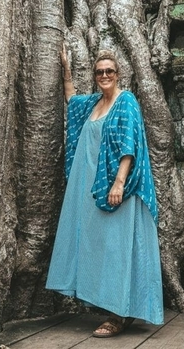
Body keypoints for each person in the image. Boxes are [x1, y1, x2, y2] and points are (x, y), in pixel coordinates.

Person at [46, 47, 164, 337]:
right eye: (100, 72)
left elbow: (130, 144)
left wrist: (120, 182)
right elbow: (71, 100)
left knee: (117, 249)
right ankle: (113, 307)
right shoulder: (93, 104)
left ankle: (117, 315)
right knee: (99, 248)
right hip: (90, 189)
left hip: (117, 190)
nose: (104, 76)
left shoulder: (126, 102)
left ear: (118, 73)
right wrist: (65, 69)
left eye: (109, 71)